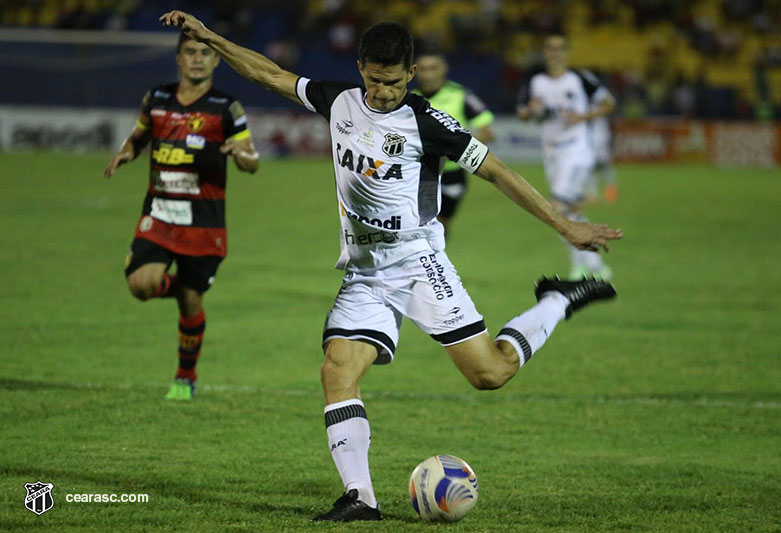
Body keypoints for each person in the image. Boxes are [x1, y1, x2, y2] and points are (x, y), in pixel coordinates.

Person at [159, 10, 622, 521]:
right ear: (361, 68)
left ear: (411, 73)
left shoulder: (427, 121)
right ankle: (361, 498)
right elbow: (268, 74)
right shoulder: (340, 101)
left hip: (418, 263)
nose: (382, 92)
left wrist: (565, 226)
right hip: (364, 273)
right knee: (337, 370)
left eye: (393, 82)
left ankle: (557, 299)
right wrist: (211, 37)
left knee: (489, 374)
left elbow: (497, 171)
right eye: (374, 81)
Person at [104, 32, 259, 401]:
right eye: (190, 52)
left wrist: (241, 154)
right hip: (159, 213)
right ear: (178, 58)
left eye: (205, 53)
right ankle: (182, 288)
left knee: (191, 303)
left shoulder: (226, 107)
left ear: (217, 60)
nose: (197, 59)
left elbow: (252, 161)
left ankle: (184, 377)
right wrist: (127, 152)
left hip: (204, 222)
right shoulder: (156, 98)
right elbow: (140, 136)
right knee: (140, 284)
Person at [517, 33, 616, 280]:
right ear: (545, 52)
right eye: (550, 48)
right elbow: (522, 113)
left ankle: (587, 265)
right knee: (567, 210)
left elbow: (608, 103)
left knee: (558, 207)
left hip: (577, 149)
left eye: (559, 48)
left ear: (567, 52)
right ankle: (590, 265)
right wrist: (531, 110)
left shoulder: (580, 78)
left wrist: (582, 117)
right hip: (551, 151)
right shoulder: (536, 81)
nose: (554, 53)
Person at [413, 50, 495, 236]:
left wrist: (452, 147)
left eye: (433, 68)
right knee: (420, 226)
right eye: (423, 69)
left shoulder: (461, 95)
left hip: (452, 174)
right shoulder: (409, 100)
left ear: (444, 69)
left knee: (441, 225)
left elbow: (487, 132)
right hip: (420, 174)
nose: (428, 74)